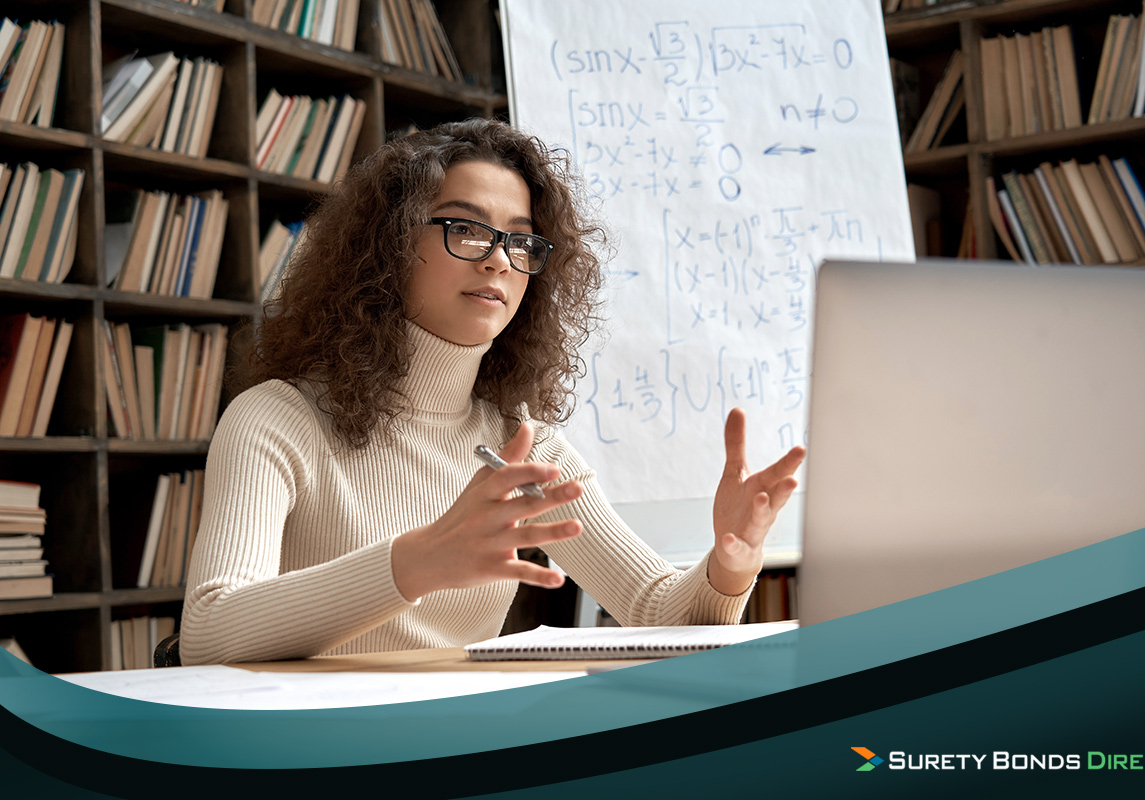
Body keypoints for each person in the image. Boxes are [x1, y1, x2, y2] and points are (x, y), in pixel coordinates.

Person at [180, 119, 806, 665]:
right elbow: (208, 632)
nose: (499, 260)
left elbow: (656, 612)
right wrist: (416, 562)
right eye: (467, 229)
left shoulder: (525, 447)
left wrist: (731, 563)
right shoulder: (274, 419)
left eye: (521, 240)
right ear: (390, 244)